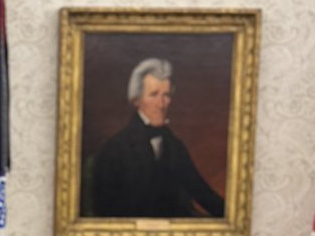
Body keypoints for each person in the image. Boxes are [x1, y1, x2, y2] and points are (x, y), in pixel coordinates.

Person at [88, 57, 225, 219]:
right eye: (153, 95)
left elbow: (201, 191)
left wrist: (233, 217)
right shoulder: (114, 149)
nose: (162, 104)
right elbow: (105, 210)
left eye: (166, 95)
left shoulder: (173, 145)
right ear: (136, 100)